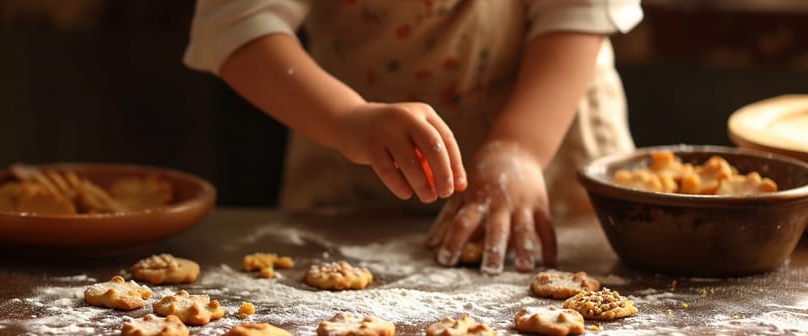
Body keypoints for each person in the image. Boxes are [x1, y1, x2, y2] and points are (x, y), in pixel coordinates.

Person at [184, 0, 643, 274]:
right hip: (349, 140)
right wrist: (347, 120)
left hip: (551, 123)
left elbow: (579, 10)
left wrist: (521, 148)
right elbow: (238, 23)